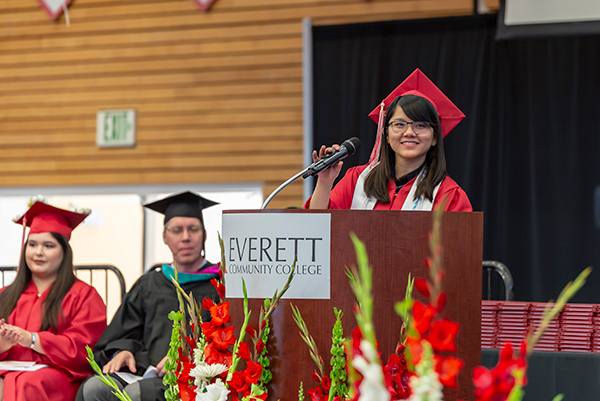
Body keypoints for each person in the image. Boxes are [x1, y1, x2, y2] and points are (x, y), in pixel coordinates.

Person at [76, 191, 221, 401]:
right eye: (177, 230)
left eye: (193, 229)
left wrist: (190, 361)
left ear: (204, 235)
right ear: (165, 237)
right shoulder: (149, 284)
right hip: (142, 372)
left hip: (193, 379)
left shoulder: (219, 285)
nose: (186, 237)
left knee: (137, 394)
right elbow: (122, 333)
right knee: (95, 388)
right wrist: (123, 352)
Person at [306, 68, 472, 212]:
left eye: (420, 125)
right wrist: (324, 182)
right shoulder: (358, 180)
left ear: (435, 137)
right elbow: (319, 227)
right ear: (385, 134)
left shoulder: (449, 195)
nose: (409, 132)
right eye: (399, 124)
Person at [0, 201, 107, 401]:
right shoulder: (5, 294)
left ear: (64, 252)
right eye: (32, 245)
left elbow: (84, 348)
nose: (38, 252)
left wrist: (33, 339)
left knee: (26, 382)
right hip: (9, 369)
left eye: (48, 245)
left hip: (60, 376)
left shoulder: (84, 295)